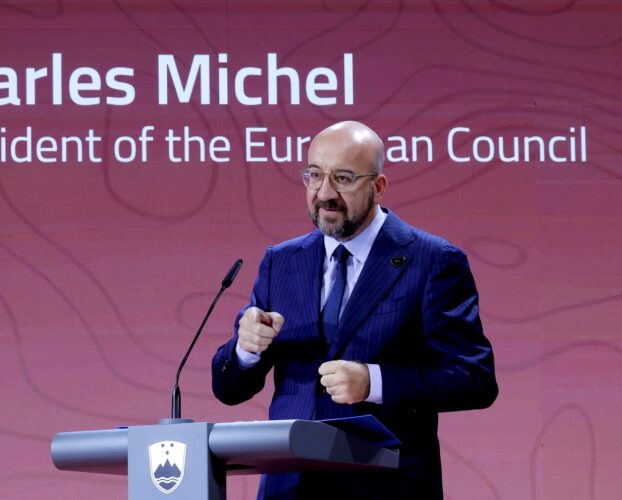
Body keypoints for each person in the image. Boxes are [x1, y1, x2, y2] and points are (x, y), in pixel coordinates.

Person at [211, 121, 498, 499]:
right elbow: (229, 388)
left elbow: (474, 377)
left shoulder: (431, 261)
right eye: (314, 175)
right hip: (289, 490)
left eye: (343, 178)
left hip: (386, 488)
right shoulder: (282, 261)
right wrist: (246, 350)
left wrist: (374, 382)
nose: (324, 193)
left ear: (377, 187)